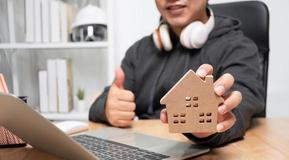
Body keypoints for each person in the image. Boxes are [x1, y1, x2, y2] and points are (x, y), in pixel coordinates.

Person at [89, 0, 265, 147]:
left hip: (202, 159)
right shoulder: (140, 51)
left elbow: (245, 101)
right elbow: (107, 98)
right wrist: (107, 107)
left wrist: (211, 127)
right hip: (145, 153)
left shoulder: (238, 47)